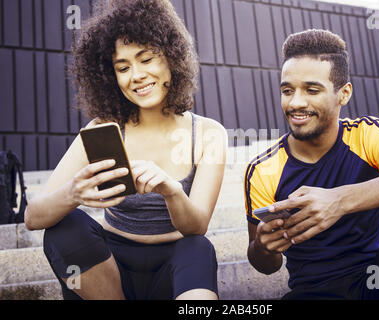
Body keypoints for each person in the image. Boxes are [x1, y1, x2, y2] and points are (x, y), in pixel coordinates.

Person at [24, 0, 227, 300]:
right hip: (106, 272)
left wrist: (172, 192)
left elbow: (196, 226)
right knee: (64, 228)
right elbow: (33, 217)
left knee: (197, 247)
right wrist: (73, 194)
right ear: (111, 76)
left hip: (174, 268)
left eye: (146, 60)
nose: (136, 76)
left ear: (172, 59)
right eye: (123, 67)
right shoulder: (102, 129)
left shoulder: (208, 134)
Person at [244, 29, 379, 300]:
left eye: (312, 90)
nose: (295, 103)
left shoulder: (366, 134)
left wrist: (337, 201)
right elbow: (266, 266)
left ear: (344, 93)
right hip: (314, 292)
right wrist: (264, 247)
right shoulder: (262, 169)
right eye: (287, 90)